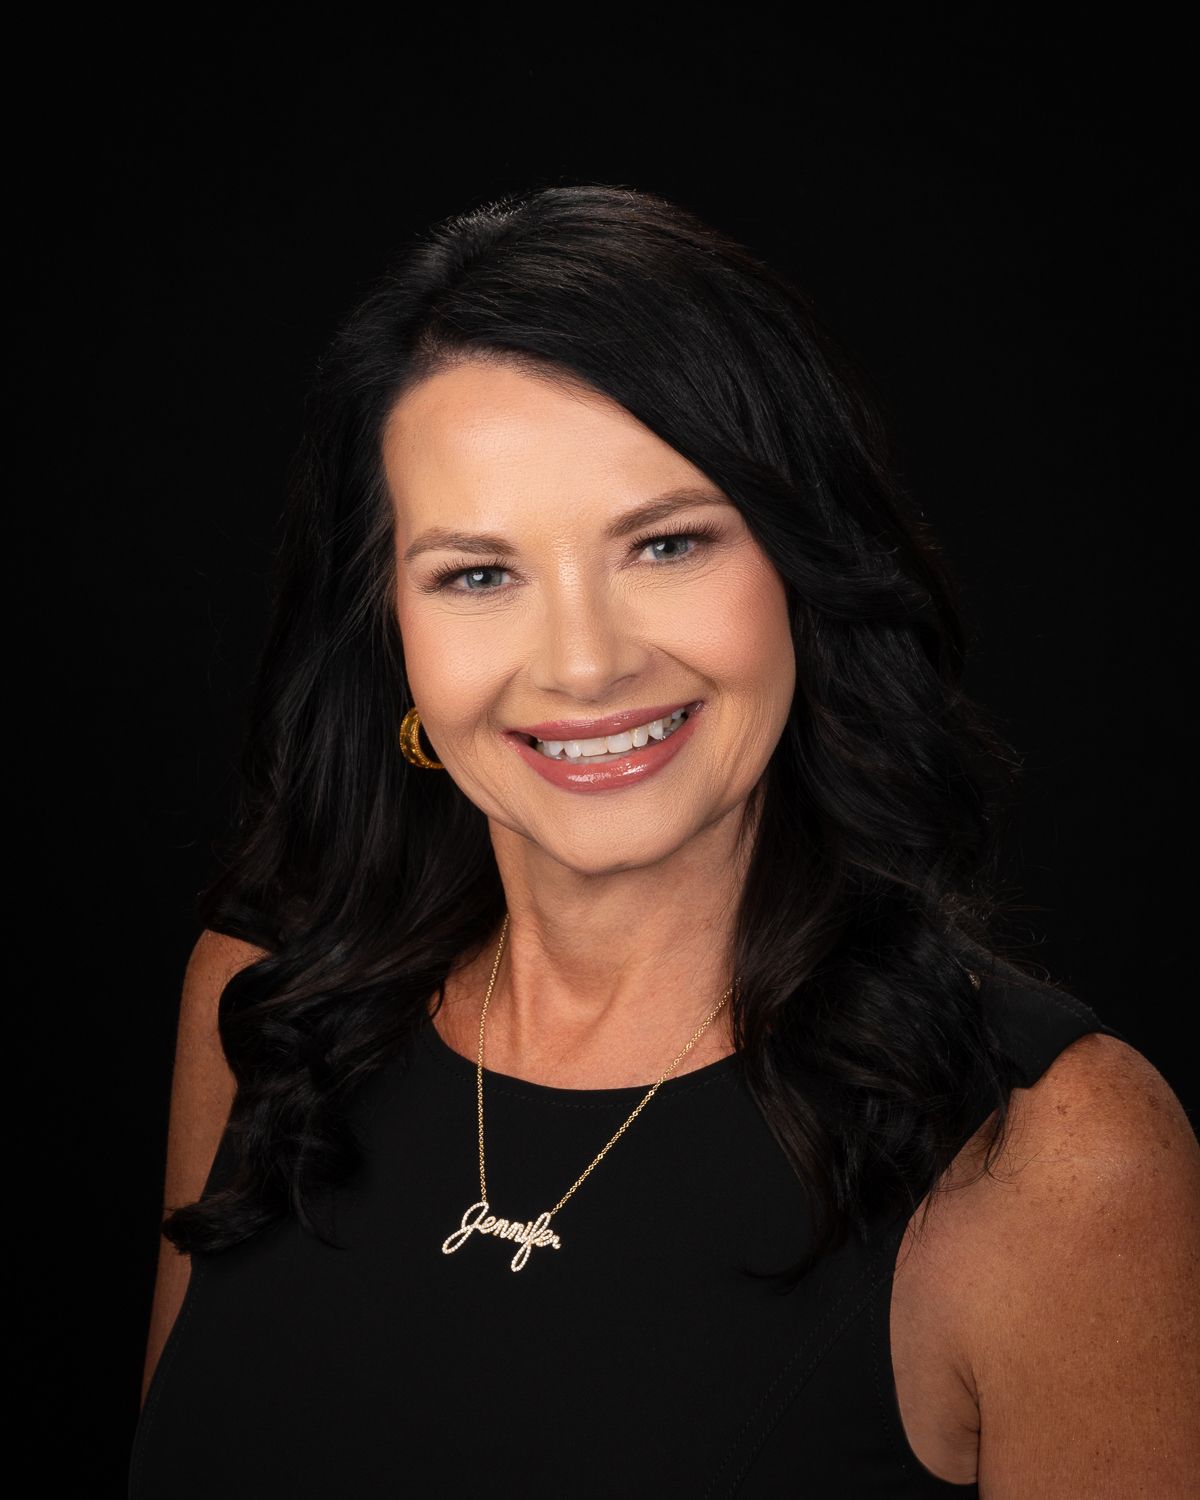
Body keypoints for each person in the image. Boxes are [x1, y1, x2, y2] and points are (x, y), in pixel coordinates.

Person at [129, 184, 1199, 1497]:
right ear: (391, 635)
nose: (583, 664)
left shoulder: (1053, 1155)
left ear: (803, 567)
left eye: (668, 544)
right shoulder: (267, 1001)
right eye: (478, 574)